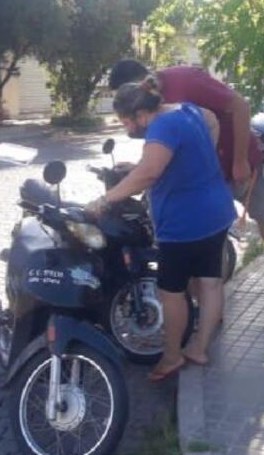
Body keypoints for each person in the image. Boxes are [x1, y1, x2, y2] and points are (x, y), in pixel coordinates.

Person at [108, 60, 264, 296]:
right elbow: (162, 152)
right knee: (212, 239)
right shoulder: (146, 111)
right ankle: (210, 308)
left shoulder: (186, 80)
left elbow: (241, 107)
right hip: (202, 179)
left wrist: (240, 160)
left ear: (141, 84)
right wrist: (138, 168)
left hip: (237, 165)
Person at [87, 81, 236, 381]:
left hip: (185, 223)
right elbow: (207, 126)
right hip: (217, 211)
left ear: (142, 113)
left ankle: (171, 358)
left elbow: (151, 173)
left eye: (127, 121)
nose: (127, 128)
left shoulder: (161, 128)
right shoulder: (187, 110)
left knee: (172, 293)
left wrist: (106, 198)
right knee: (210, 283)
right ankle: (200, 349)